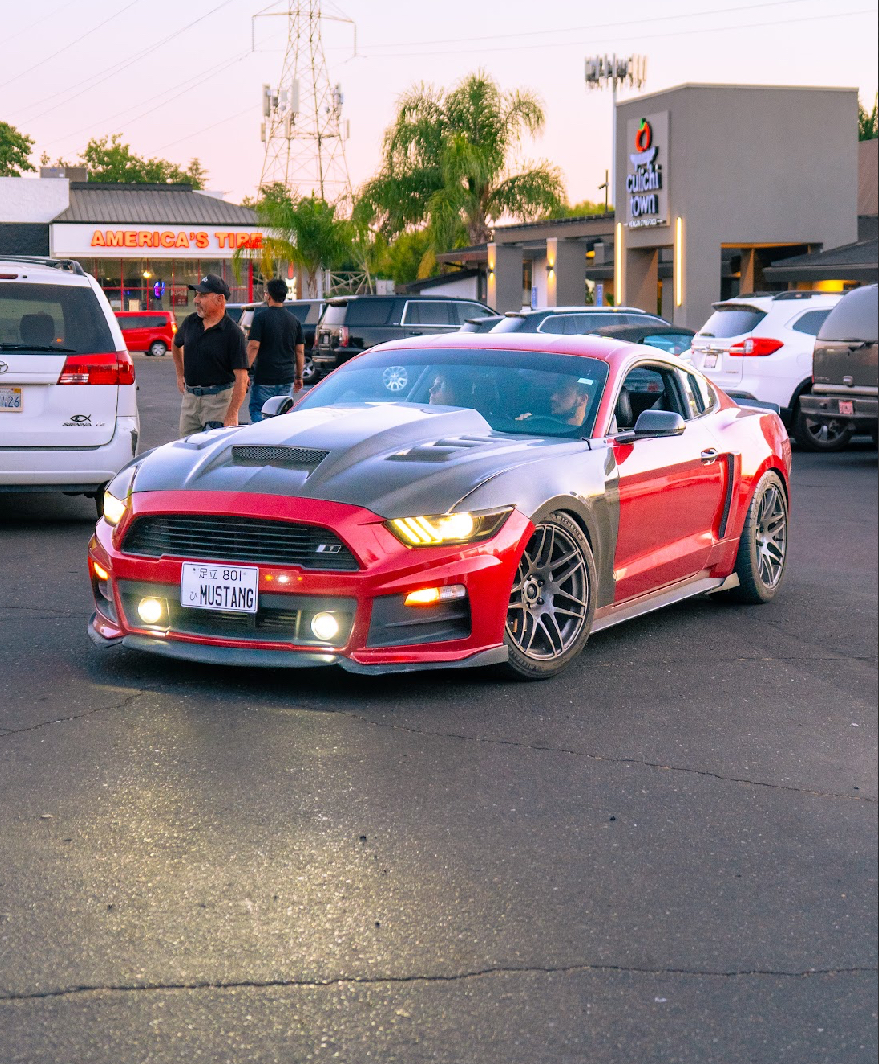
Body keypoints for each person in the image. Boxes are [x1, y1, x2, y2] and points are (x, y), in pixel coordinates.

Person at [172, 274, 248, 436]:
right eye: (197, 295)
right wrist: (180, 374)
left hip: (218, 403)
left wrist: (232, 413)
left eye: (203, 296)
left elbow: (242, 379)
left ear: (220, 299)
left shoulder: (233, 333)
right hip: (190, 400)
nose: (196, 300)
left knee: (213, 448)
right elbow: (176, 344)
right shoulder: (190, 322)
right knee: (185, 446)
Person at [246, 278, 305, 423]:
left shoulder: (260, 319)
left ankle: (261, 437)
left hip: (264, 378)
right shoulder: (294, 320)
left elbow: (253, 346)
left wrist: (244, 371)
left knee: (259, 412)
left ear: (268, 295)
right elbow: (299, 352)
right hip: (286, 378)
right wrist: (298, 376)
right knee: (282, 416)